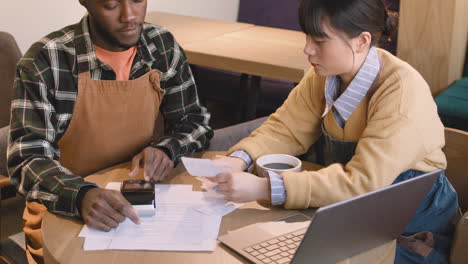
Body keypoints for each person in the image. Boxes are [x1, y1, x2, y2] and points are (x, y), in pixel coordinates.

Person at [209, 0, 458, 263]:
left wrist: (265, 189)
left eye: (320, 41)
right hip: (353, 214)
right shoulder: (325, 75)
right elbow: (286, 129)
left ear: (362, 41)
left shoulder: (401, 94)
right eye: (307, 37)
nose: (307, 50)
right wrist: (240, 159)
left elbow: (361, 182)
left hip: (412, 232)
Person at [7, 0, 212, 263]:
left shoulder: (161, 45)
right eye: (111, 4)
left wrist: (166, 149)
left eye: (138, 0)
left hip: (140, 204)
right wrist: (80, 195)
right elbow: (26, 159)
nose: (129, 16)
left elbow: (194, 121)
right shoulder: (47, 59)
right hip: (65, 212)